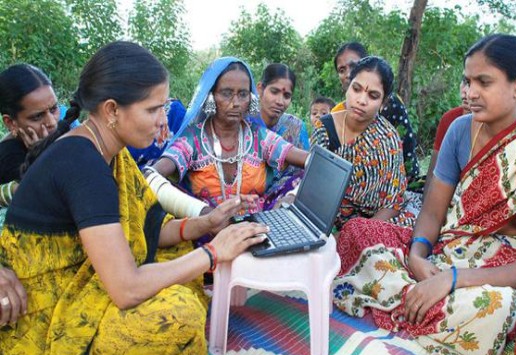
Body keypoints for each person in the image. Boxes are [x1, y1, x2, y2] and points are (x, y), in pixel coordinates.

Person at [0, 41, 269, 355]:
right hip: (46, 315)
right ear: (112, 110)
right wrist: (214, 253)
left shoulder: (110, 151)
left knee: (178, 258)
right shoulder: (83, 163)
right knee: (181, 315)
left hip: (92, 280)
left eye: (164, 108)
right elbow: (126, 289)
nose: (162, 121)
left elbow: (147, 230)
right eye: (153, 110)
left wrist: (206, 224)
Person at [331, 34, 516, 355]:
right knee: (357, 232)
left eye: (483, 82)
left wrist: (452, 280)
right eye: (467, 81)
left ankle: (406, 307)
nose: (470, 92)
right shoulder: (460, 129)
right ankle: (417, 304)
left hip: (503, 269)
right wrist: (417, 254)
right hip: (448, 249)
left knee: (492, 308)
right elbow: (431, 214)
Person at [152, 57, 308, 213]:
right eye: (227, 93)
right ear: (211, 96)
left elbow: (311, 161)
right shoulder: (193, 139)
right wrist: (207, 216)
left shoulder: (259, 136)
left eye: (243, 94)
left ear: (250, 98)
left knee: (300, 177)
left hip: (256, 226)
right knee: (163, 187)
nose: (236, 103)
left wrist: (290, 197)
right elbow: (152, 174)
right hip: (205, 229)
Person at [310, 56, 414, 230]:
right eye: (356, 89)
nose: (361, 100)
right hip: (325, 220)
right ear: (347, 87)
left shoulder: (387, 138)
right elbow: (313, 187)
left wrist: (357, 232)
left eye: (373, 96)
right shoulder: (324, 128)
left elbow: (393, 203)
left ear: (383, 102)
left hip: (376, 223)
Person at [332, 42, 421, 190]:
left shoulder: (390, 105)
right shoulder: (336, 113)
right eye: (342, 70)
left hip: (395, 186)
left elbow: (400, 161)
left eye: (353, 66)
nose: (347, 74)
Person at [0, 64, 80, 208]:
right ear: (11, 122)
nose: (51, 122)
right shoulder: (9, 158)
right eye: (37, 116)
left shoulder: (62, 127)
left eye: (54, 109)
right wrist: (40, 157)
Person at [250, 63, 310, 209]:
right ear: (260, 89)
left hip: (283, 202)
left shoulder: (295, 127)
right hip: (246, 199)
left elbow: (305, 172)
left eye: (286, 95)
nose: (280, 101)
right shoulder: (245, 123)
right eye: (274, 91)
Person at [424, 78, 470, 194]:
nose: (465, 91)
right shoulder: (450, 120)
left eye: (482, 82)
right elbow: (432, 176)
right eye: (465, 81)